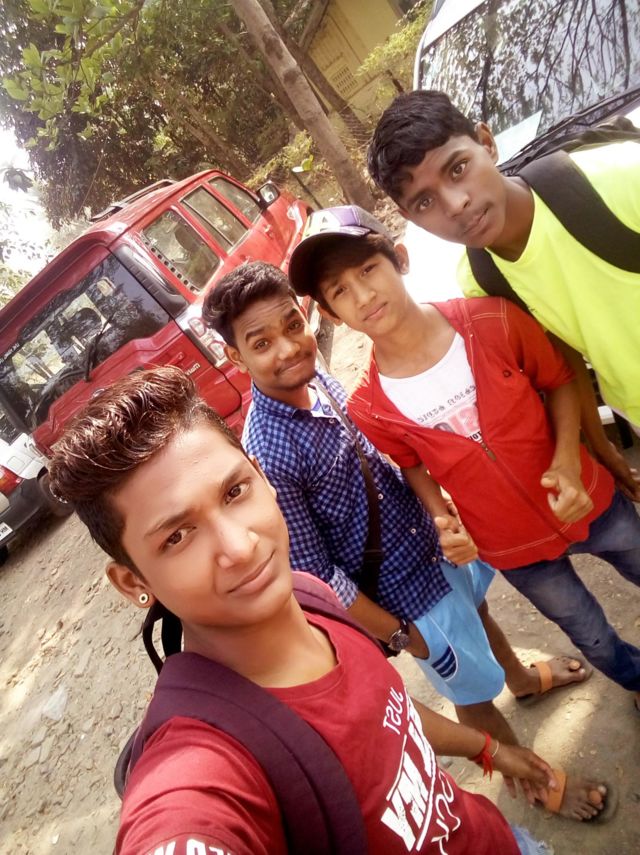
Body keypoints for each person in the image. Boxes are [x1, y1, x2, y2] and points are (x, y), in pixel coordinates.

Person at [50, 366, 563, 854]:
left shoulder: (310, 595)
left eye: (235, 492)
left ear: (263, 478)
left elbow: (383, 713)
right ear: (134, 583)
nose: (240, 547)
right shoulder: (204, 761)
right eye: (178, 536)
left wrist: (490, 750)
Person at [287, 203, 640, 735]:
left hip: (593, 503)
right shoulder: (369, 405)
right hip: (516, 552)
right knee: (590, 634)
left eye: (368, 269)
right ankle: (635, 679)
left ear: (399, 258)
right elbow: (413, 465)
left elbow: (559, 381)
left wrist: (570, 458)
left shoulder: (492, 320)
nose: (362, 295)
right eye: (339, 290)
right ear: (331, 315)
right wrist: (440, 515)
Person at [366, 89, 640, 499]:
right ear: (409, 218)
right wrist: (600, 446)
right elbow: (562, 354)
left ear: (487, 143)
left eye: (458, 169)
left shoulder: (618, 177)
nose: (455, 204)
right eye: (424, 202)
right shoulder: (482, 279)